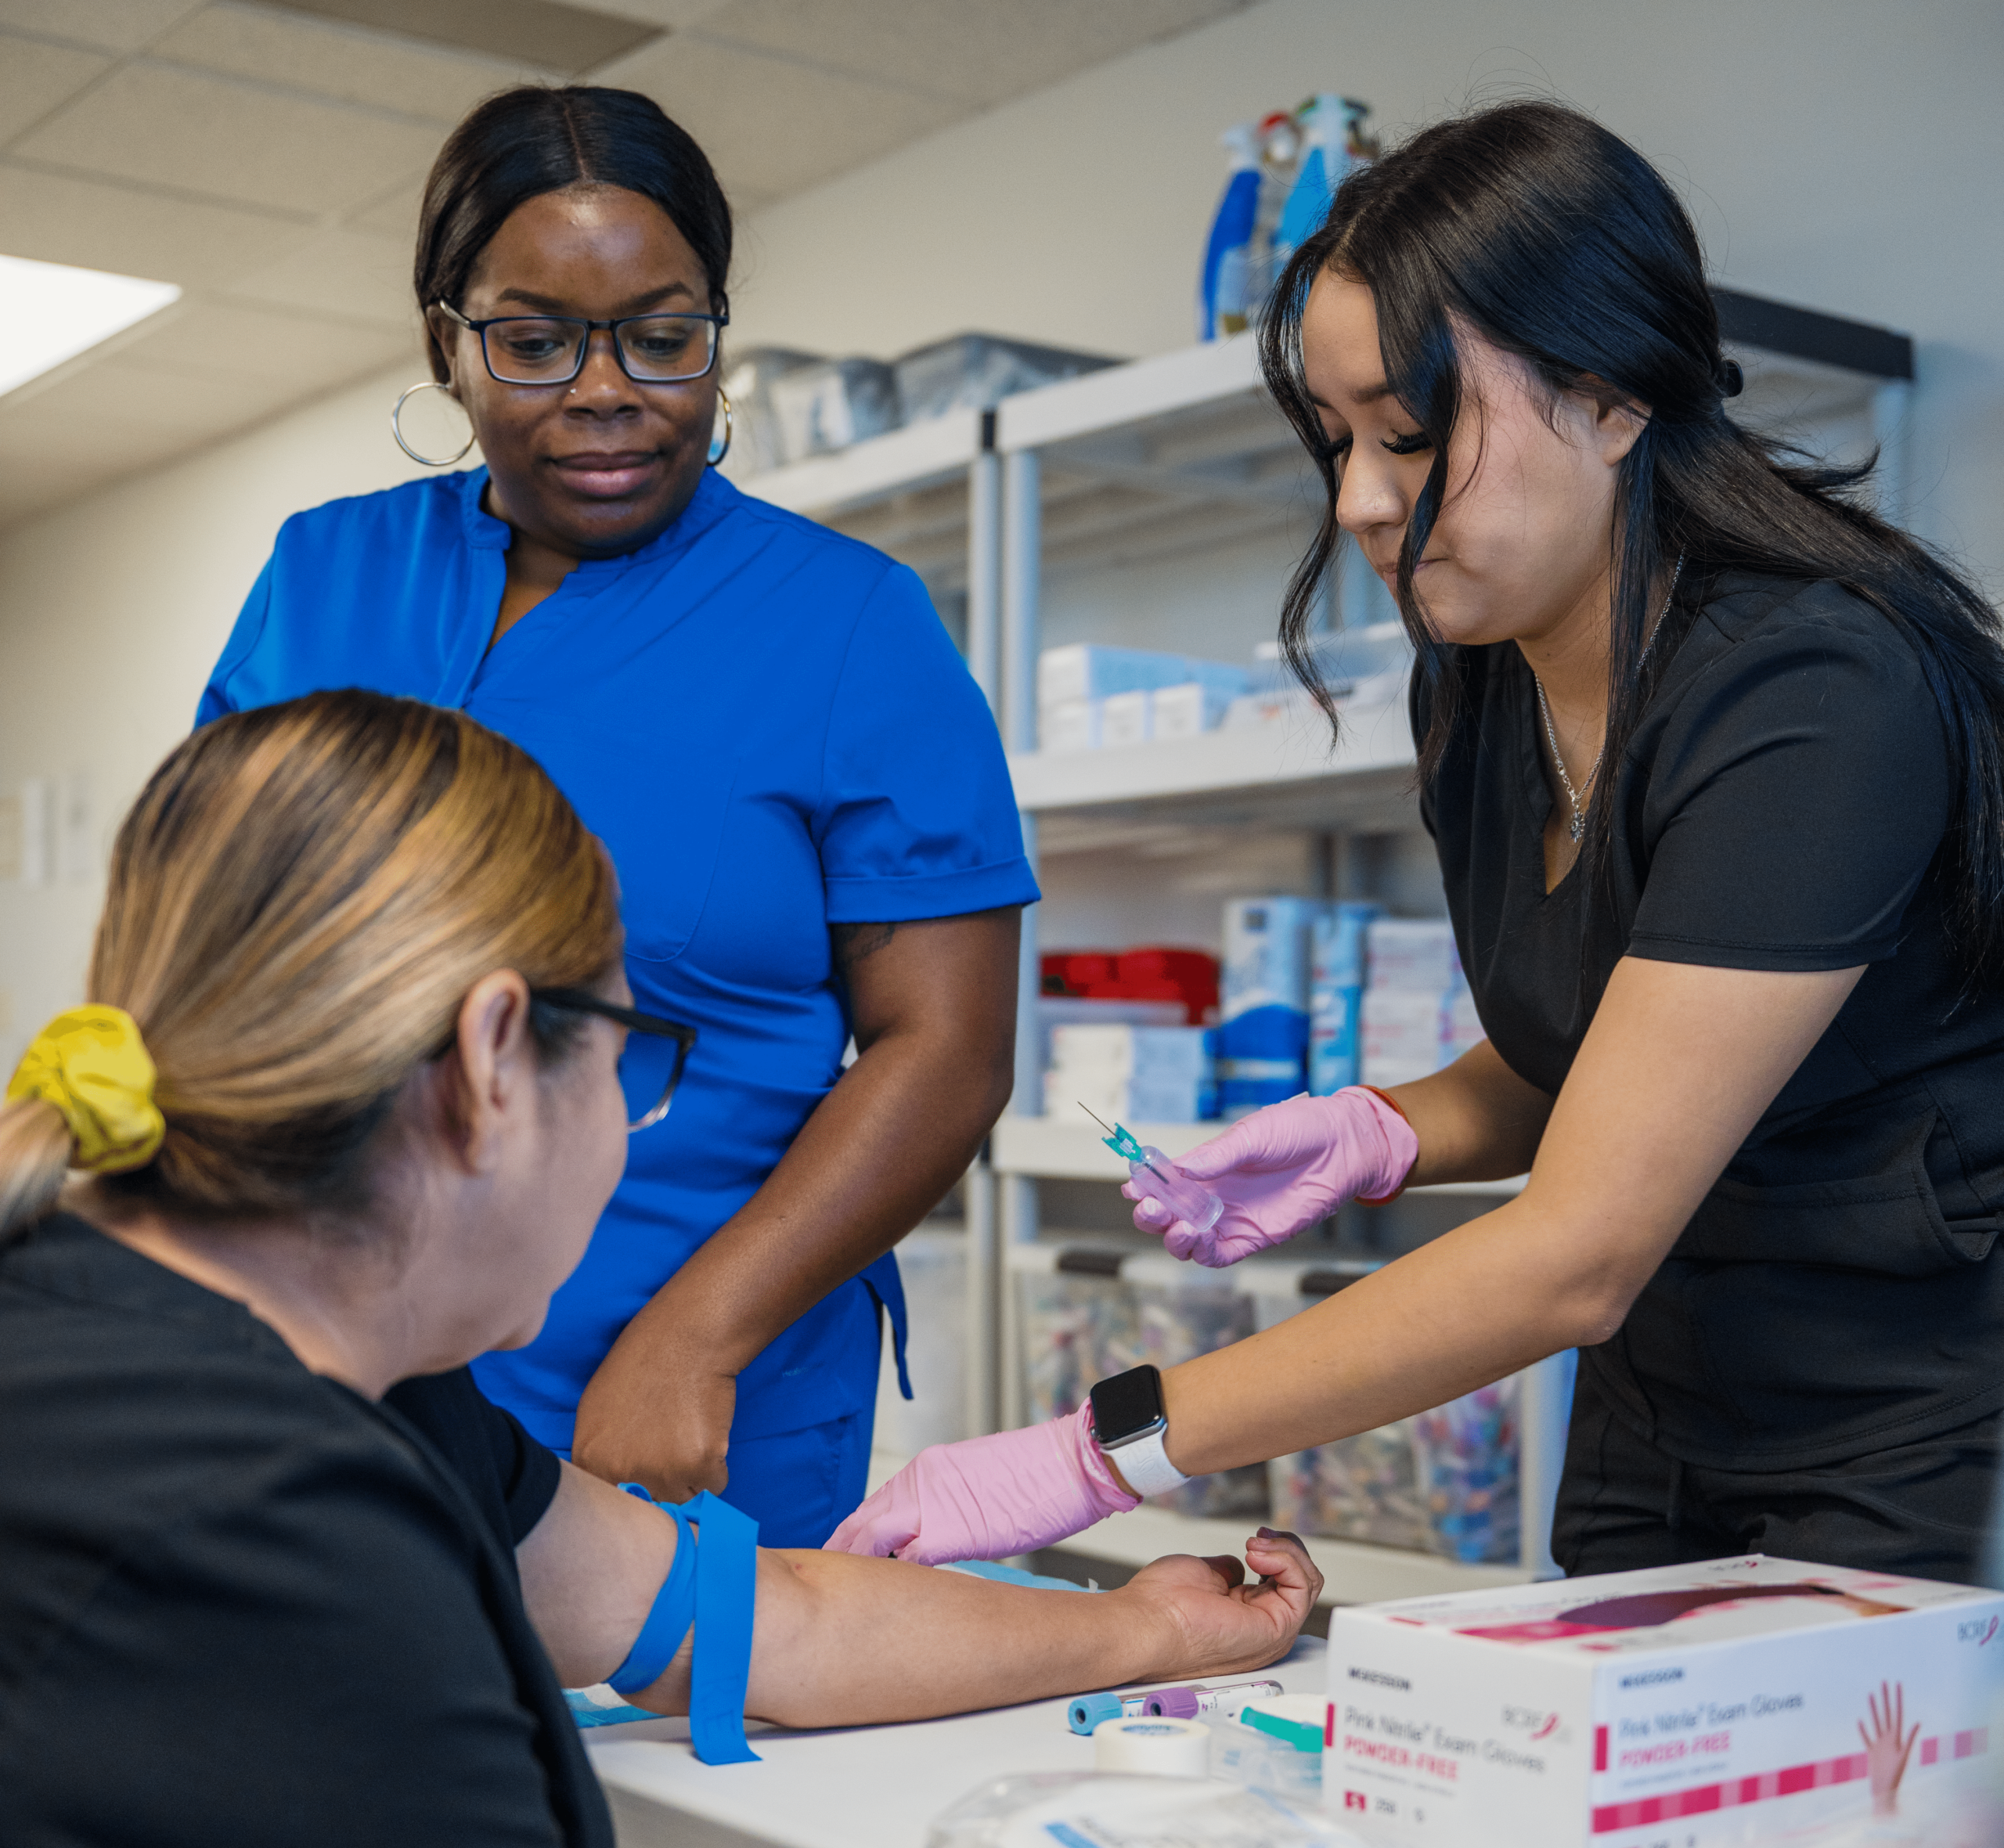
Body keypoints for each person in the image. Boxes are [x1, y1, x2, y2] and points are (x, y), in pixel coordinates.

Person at [833, 100, 2004, 1585]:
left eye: (1414, 432)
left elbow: (1578, 1249)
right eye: (1336, 441)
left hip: (1926, 1420)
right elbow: (1589, 1057)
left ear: (1616, 397)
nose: (1363, 503)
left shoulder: (1818, 695)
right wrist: (1382, 1130)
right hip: (1666, 1403)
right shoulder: (1488, 685)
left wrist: (1099, 1448)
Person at [0, 690, 1318, 1846]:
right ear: (493, 1057)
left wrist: (1146, 1632)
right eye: (631, 1058)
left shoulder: (349, 1392)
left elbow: (763, 1616)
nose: (633, 1123)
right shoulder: (280, 1529)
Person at [196, 85, 1036, 1545]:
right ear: (443, 344)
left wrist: (699, 1335)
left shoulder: (847, 625)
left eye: (665, 337)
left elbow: (945, 1048)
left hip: (678, 1388)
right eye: (532, 342)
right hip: (321, 1359)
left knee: (672, 1762)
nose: (608, 391)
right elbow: (218, 953)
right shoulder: (323, 578)